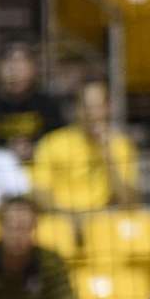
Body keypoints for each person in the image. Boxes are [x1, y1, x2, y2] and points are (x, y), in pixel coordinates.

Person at [31, 82, 138, 214]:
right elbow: (40, 194)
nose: (92, 114)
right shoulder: (52, 142)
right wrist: (67, 217)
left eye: (97, 107)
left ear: (108, 108)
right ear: (77, 109)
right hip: (61, 218)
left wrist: (108, 155)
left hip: (102, 218)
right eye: (86, 107)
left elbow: (129, 202)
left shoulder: (121, 145)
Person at [0, 46, 63, 166]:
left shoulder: (47, 104)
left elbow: (60, 140)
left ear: (34, 68)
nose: (16, 71)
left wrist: (35, 148)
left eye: (22, 64)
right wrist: (6, 150)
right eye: (10, 63)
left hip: (38, 168)